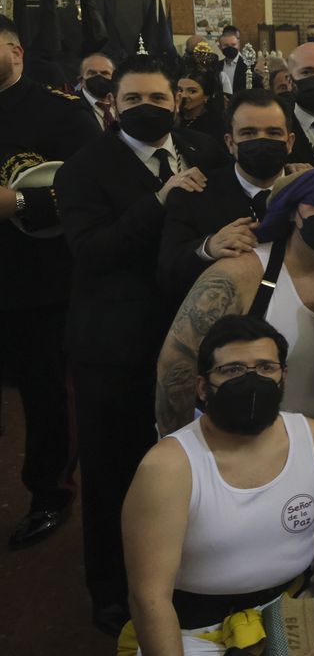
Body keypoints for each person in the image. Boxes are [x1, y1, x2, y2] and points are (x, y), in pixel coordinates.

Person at [55, 54, 230, 632]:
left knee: (197, 466)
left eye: (159, 99)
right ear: (113, 105)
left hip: (192, 337)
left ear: (176, 102)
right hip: (115, 345)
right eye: (134, 100)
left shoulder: (205, 149)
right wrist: (160, 202)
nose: (148, 109)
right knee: (116, 474)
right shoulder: (84, 167)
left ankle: (187, 579)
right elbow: (92, 252)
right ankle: (112, 590)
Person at [123, 315, 314, 656]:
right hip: (196, 634)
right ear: (202, 387)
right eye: (232, 370)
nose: (252, 379)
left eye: (265, 367)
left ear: (283, 377)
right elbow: (149, 596)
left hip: (293, 613)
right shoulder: (168, 467)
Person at [154, 168, 314, 433]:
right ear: (293, 212)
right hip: (242, 439)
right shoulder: (241, 274)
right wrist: (178, 441)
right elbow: (176, 363)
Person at [0, 13, 100, 550]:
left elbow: (90, 192)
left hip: (36, 283)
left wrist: (18, 201)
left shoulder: (62, 114)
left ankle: (49, 492)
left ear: (15, 52)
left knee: (44, 395)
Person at [159, 88, 297, 298]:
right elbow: (168, 270)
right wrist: (208, 247)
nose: (261, 140)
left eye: (273, 133)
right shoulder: (194, 194)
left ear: (289, 142)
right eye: (248, 133)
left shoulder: (310, 191)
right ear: (230, 143)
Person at [176, 65, 229, 147]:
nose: (183, 95)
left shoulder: (215, 125)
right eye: (179, 90)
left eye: (192, 91)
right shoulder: (171, 118)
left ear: (206, 96)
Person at [77, 51, 118, 130]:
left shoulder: (126, 104)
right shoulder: (68, 108)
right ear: (81, 81)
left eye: (105, 73)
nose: (99, 77)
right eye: (92, 73)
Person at [216, 26, 256, 98]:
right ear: (220, 47)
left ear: (239, 45)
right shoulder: (216, 66)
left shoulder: (249, 65)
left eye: (233, 45)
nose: (230, 48)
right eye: (226, 45)